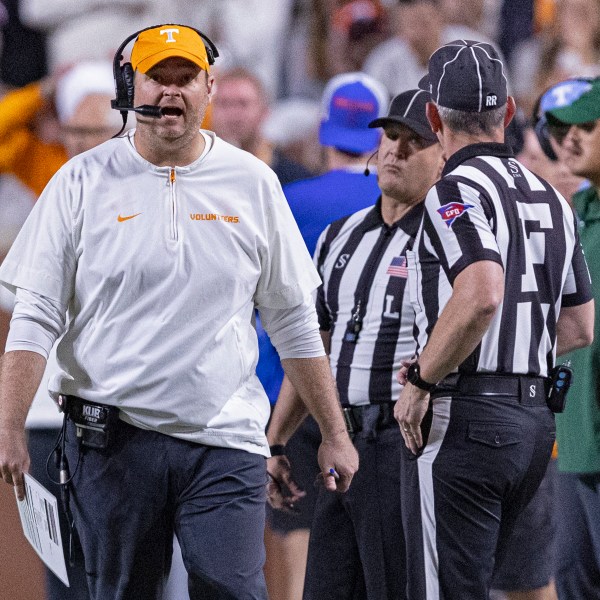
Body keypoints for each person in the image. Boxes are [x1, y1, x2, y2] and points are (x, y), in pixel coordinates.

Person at [0, 24, 358, 600]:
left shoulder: (253, 183)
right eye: (156, 77)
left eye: (185, 77)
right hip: (114, 440)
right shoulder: (79, 182)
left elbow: (293, 320)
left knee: (234, 589)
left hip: (224, 439)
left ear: (209, 86)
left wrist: (334, 433)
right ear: (130, 85)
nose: (171, 92)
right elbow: (35, 317)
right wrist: (10, 424)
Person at [394, 39, 595, 600]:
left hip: (465, 417)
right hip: (534, 421)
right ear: (508, 112)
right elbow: (580, 327)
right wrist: (511, 351)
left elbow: (481, 291)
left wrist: (422, 378)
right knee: (525, 587)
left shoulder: (452, 189)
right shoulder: (554, 197)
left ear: (433, 117)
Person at [268, 88, 443, 600]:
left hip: (405, 444)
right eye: (390, 136)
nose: (395, 150)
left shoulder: (449, 237)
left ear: (443, 157)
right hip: (341, 441)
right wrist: (276, 440)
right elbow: (312, 347)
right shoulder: (339, 237)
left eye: (414, 141)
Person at [262, 71, 388, 600]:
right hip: (373, 395)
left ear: (322, 130)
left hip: (289, 392)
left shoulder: (287, 200)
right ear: (382, 137)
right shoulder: (398, 201)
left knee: (299, 553)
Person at [543, 76, 600, 600]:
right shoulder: (572, 216)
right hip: (575, 439)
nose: (571, 140)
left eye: (588, 125)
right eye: (563, 130)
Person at [210, 66, 313, 185]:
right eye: (224, 104)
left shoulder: (294, 180)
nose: (233, 114)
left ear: (264, 112)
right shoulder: (195, 174)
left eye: (242, 104)